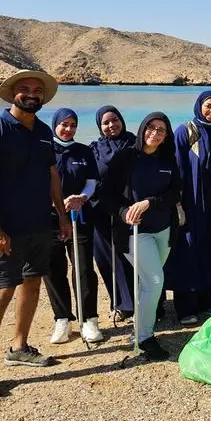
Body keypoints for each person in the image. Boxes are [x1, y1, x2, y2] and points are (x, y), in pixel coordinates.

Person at [0, 69, 71, 399]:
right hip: (7, 231)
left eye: (37, 90)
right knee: (1, 293)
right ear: (12, 93)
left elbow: (52, 175)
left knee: (32, 283)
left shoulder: (42, 132)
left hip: (40, 225)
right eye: (25, 89)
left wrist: (61, 215)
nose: (31, 94)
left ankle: (19, 346)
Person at [100, 112, 180, 360]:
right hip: (134, 232)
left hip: (164, 230)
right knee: (155, 281)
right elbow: (107, 194)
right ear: (143, 128)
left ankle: (140, 329)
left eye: (161, 130)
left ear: (167, 136)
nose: (155, 134)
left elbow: (175, 193)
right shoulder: (126, 157)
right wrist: (124, 212)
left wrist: (149, 202)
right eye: (151, 128)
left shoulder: (168, 159)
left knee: (148, 283)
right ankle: (144, 337)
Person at [167, 91, 211, 325]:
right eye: (208, 106)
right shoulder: (186, 131)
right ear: (199, 106)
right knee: (188, 252)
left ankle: (206, 303)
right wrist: (177, 205)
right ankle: (186, 308)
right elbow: (176, 170)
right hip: (192, 205)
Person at [43, 108, 103, 344]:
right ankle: (62, 319)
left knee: (83, 268)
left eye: (73, 125)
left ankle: (89, 319)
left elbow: (91, 182)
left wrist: (81, 198)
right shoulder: (45, 150)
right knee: (53, 269)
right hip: (49, 219)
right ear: (55, 125)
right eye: (64, 124)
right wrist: (56, 205)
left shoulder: (83, 151)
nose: (68, 129)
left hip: (79, 217)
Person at [90, 105, 136, 322]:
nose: (111, 125)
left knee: (130, 256)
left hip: (129, 209)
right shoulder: (95, 149)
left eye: (115, 120)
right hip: (101, 210)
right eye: (105, 123)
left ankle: (140, 302)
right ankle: (119, 303)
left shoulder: (135, 144)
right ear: (100, 126)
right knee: (106, 258)